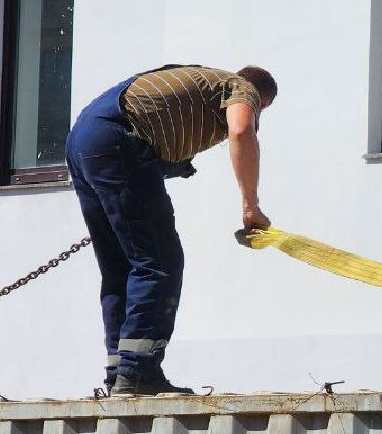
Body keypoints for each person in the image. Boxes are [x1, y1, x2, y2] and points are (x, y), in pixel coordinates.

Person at [65, 64, 277, 395]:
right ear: (261, 99)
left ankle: (120, 372)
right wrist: (251, 206)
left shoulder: (202, 84)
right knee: (159, 261)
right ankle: (138, 371)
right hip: (119, 139)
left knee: (122, 267)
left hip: (82, 141)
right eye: (261, 111)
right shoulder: (242, 87)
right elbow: (240, 130)